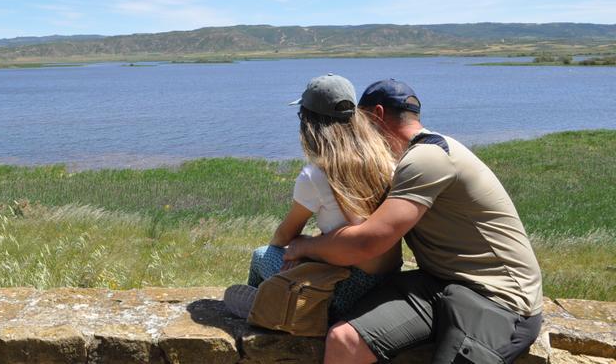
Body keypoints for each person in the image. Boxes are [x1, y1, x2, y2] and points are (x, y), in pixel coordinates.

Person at [283, 79, 543, 364]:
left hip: (497, 299)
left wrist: (306, 246)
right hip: (438, 282)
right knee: (344, 340)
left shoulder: (429, 158)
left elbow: (368, 242)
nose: (354, 130)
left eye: (359, 119)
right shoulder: (411, 157)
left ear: (376, 115)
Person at [225, 73, 401, 322]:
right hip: (387, 281)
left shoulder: (317, 173)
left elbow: (284, 236)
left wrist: (298, 249)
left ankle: (264, 309)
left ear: (308, 121)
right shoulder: (386, 161)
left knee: (261, 255)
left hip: (344, 293)